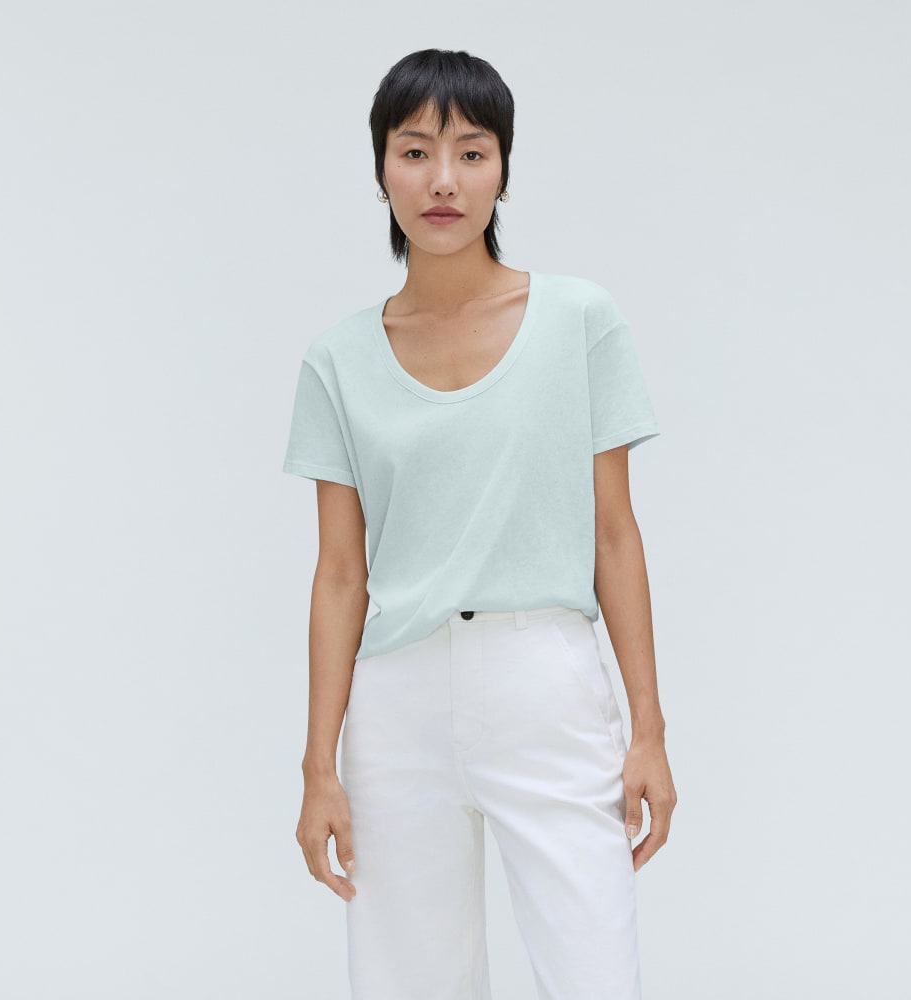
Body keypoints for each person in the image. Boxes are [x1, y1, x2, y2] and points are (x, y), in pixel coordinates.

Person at [282, 47, 677, 1000]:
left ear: (504, 168)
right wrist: (318, 767)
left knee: (595, 977)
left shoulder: (580, 321)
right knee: (407, 982)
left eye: (471, 152)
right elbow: (340, 575)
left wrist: (650, 732)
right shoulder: (337, 360)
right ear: (381, 168)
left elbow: (614, 534)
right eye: (415, 152)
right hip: (396, 705)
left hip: (546, 682)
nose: (443, 181)